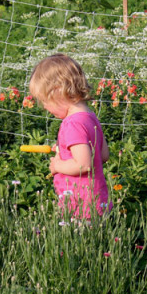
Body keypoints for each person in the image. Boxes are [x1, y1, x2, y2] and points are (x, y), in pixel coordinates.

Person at [28, 53, 110, 219]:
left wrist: (57, 166)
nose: (44, 107)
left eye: (44, 101)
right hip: (98, 202)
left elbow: (83, 165)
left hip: (81, 207)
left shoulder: (72, 124)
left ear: (58, 92)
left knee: (81, 243)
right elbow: (103, 155)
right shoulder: (90, 117)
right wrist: (66, 151)